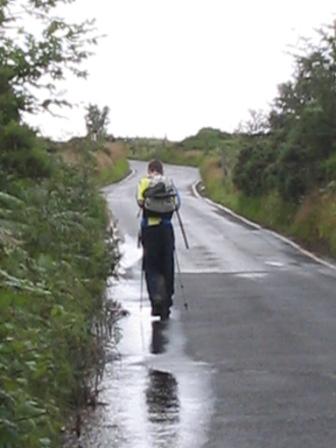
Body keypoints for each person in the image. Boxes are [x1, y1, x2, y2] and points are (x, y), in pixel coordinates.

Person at [137, 159, 180, 320]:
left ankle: (156, 300)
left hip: (149, 229)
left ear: (150, 170)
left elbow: (140, 202)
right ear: (162, 171)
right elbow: (177, 204)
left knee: (151, 266)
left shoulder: (143, 182)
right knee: (167, 265)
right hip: (167, 229)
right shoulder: (170, 183)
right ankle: (167, 303)